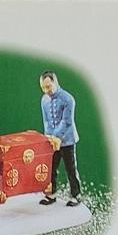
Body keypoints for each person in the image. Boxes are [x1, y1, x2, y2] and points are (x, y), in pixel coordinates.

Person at [39, 71, 81, 207]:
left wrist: (56, 137)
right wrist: (48, 136)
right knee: (51, 168)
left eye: (48, 87)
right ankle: (51, 194)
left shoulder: (68, 99)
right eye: (43, 87)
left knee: (71, 169)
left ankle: (75, 195)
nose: (46, 90)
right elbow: (46, 121)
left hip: (67, 140)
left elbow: (66, 121)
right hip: (51, 141)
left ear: (55, 83)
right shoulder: (44, 100)